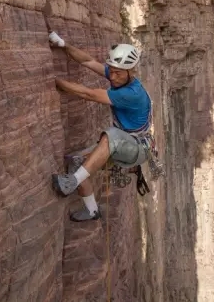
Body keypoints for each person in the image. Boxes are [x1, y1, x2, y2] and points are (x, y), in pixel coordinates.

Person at [48, 31, 154, 222]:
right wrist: (63, 45)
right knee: (77, 162)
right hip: (126, 141)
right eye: (111, 71)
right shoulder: (119, 76)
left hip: (138, 147)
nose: (112, 76)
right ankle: (91, 210)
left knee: (110, 135)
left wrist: (51, 80)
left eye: (118, 73)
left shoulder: (132, 94)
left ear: (131, 71)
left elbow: (88, 94)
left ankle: (72, 182)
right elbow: (87, 61)